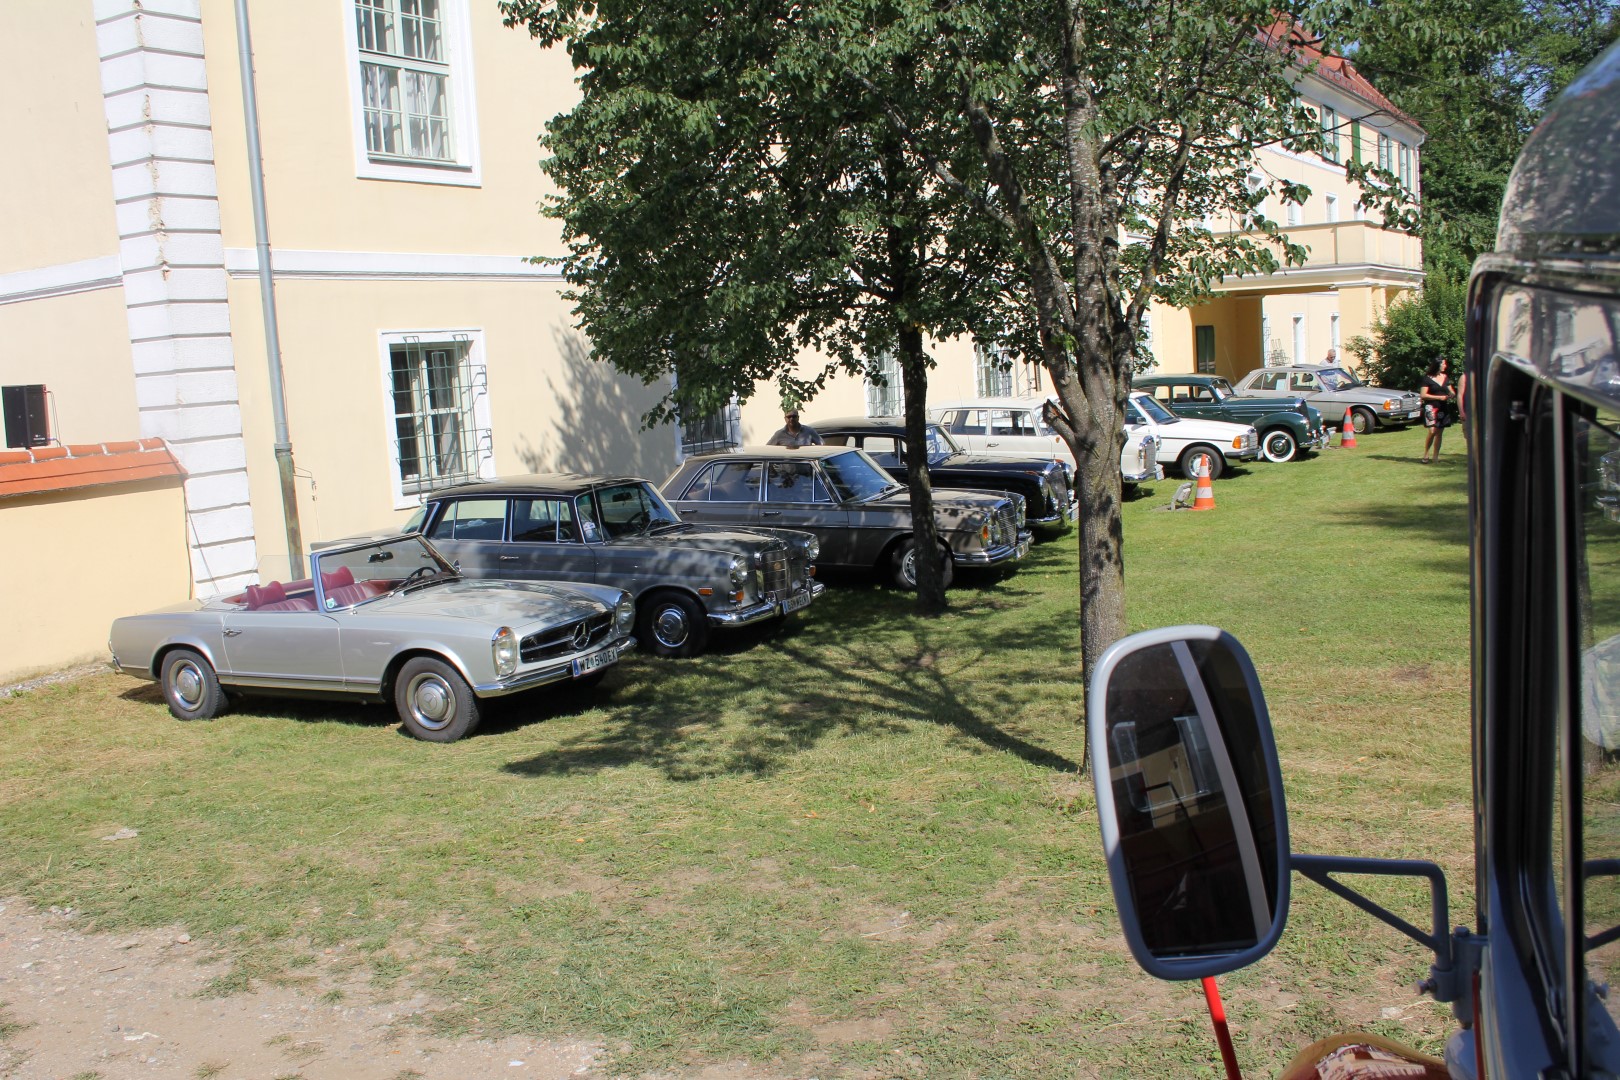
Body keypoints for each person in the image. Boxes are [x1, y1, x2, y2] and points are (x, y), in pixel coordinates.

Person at [1418, 357, 1454, 463]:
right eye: (1443, 364)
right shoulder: (1427, 378)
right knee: (1432, 431)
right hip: (1431, 408)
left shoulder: (1445, 377)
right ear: (1437, 365)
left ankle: (1435, 457)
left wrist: (1452, 394)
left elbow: (1450, 390)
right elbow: (1423, 395)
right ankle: (1426, 454)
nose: (1445, 366)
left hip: (1442, 408)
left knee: (1439, 432)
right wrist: (1439, 397)